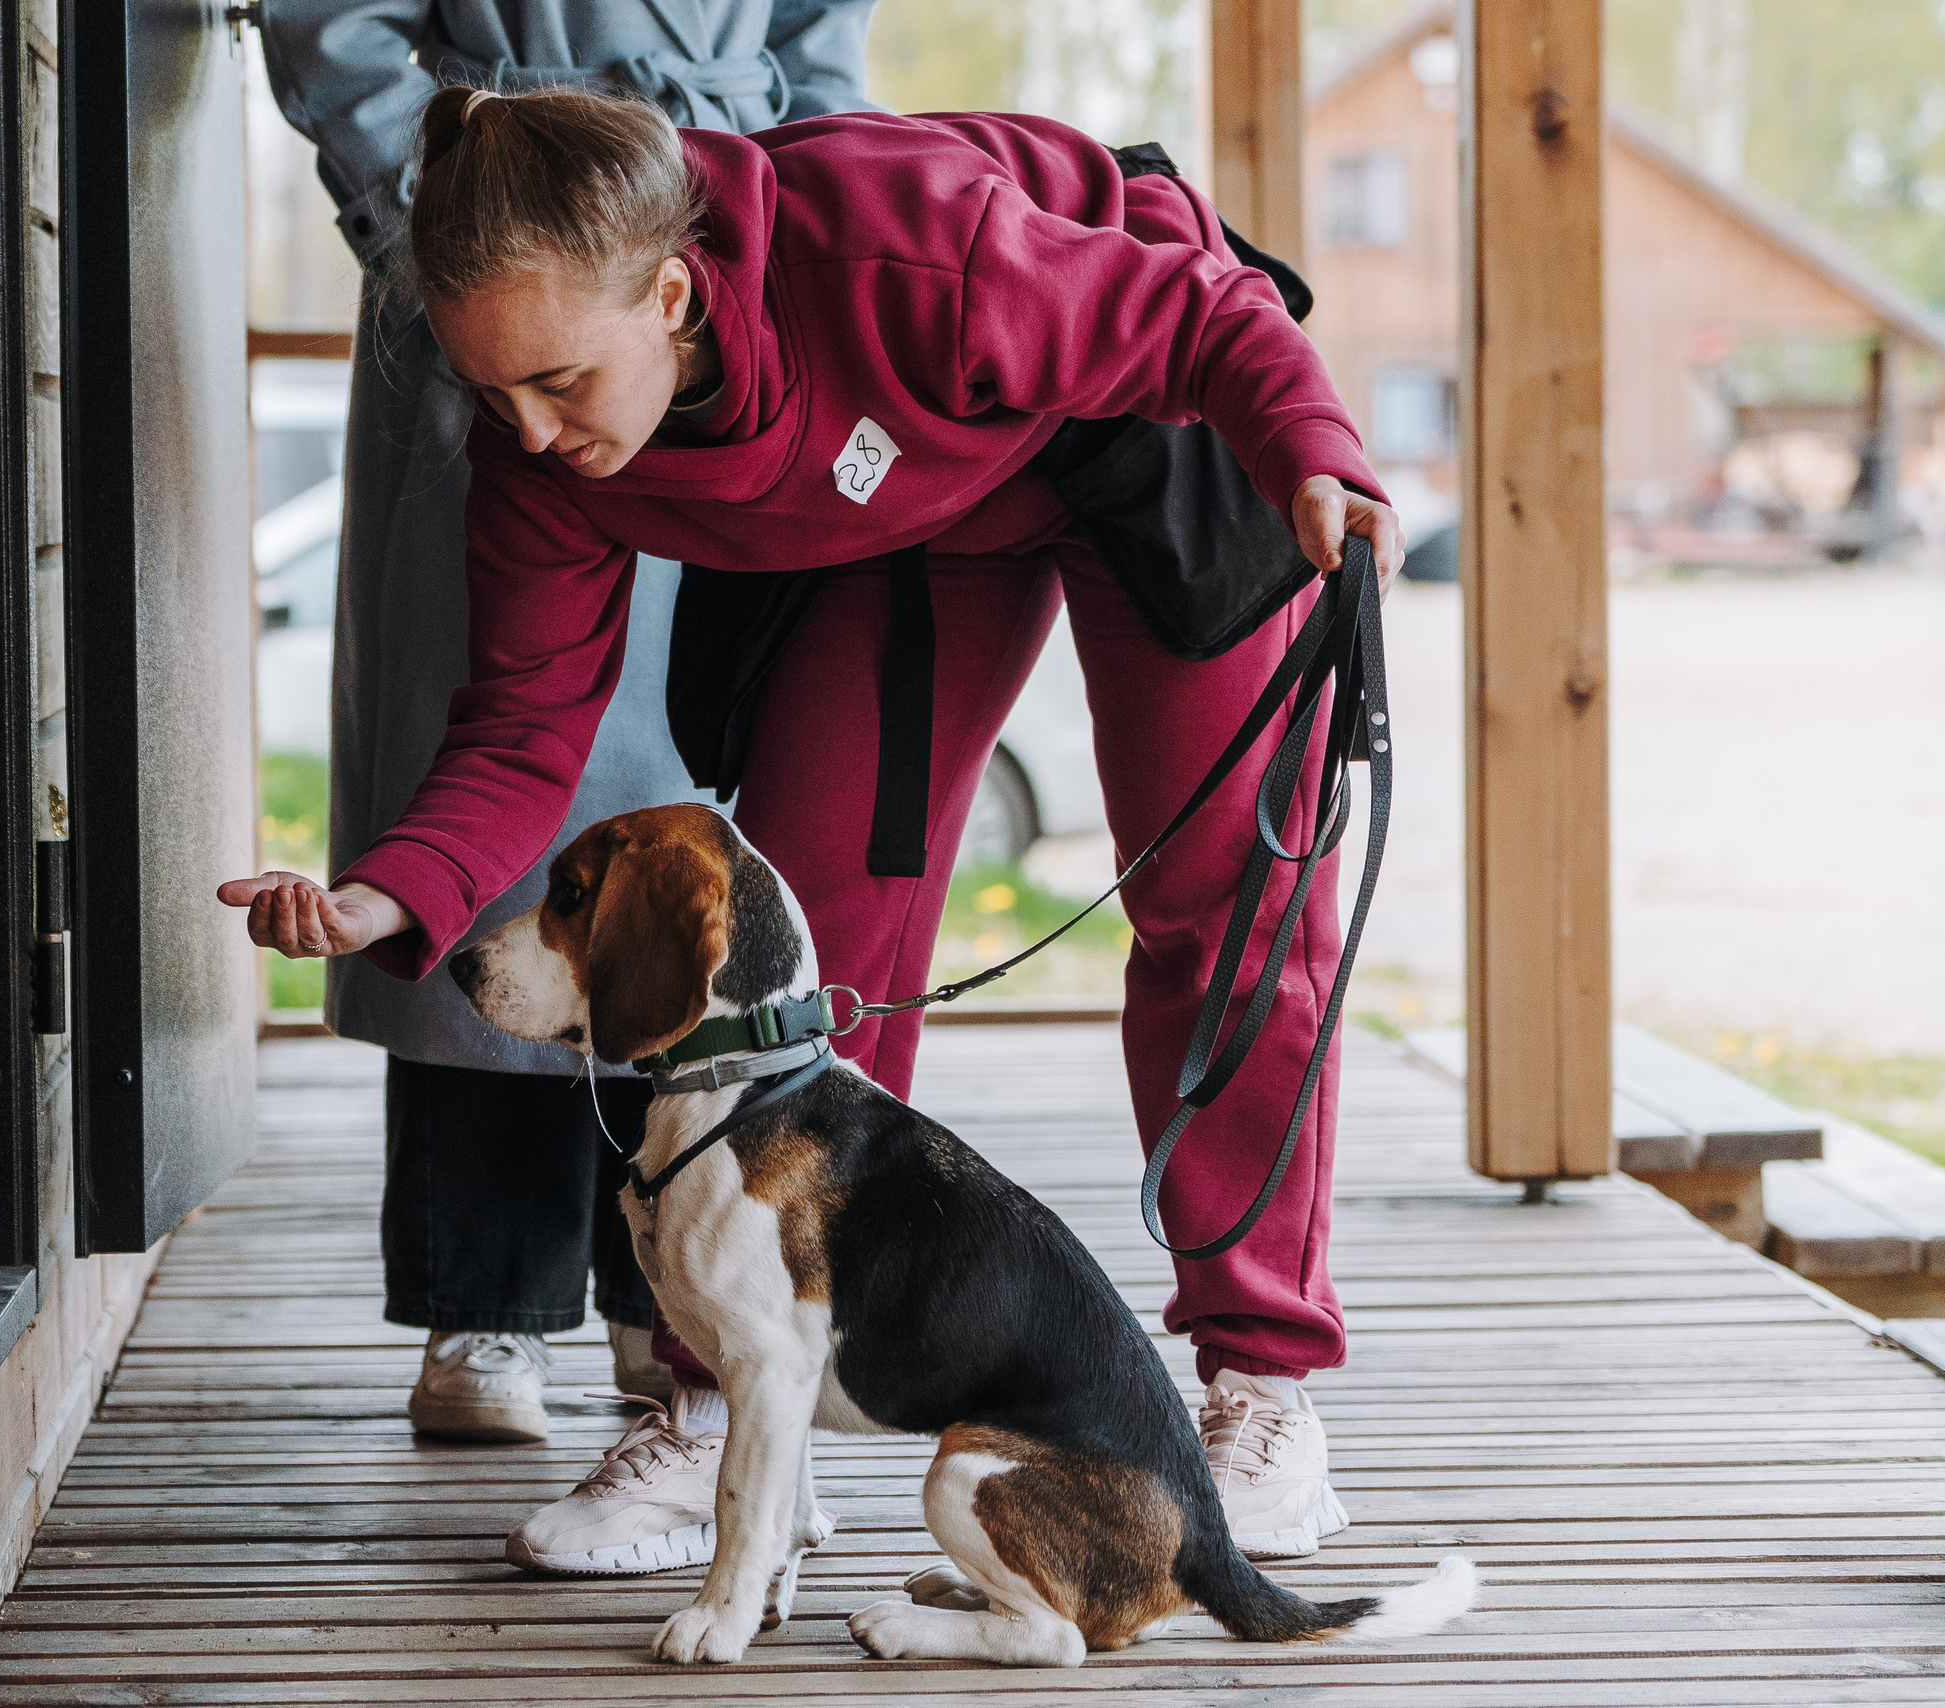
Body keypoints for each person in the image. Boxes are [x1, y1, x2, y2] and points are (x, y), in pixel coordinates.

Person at [220, 86, 1405, 1570]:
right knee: (803, 948)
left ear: (669, 291)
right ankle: (729, 1413)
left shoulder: (905, 252)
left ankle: (1260, 1385)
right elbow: (522, 727)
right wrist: (388, 899)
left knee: (1230, 899)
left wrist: (1317, 454)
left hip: (1150, 426)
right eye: (492, 393)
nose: (531, 430)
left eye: (561, 380)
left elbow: (1208, 318)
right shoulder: (542, 456)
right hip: (915, 510)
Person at [251, 3, 878, 1457]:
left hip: (721, 278)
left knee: (720, 774)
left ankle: (671, 1293)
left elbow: (824, 30)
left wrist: (795, 207)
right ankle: (487, 1296)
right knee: (497, 743)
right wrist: (427, 212)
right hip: (498, 245)